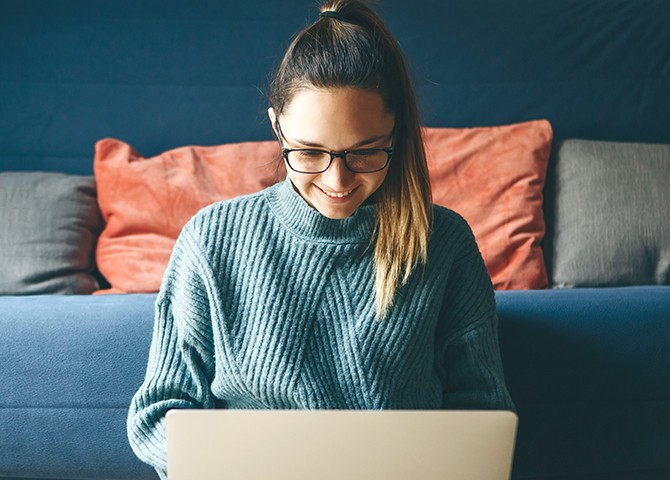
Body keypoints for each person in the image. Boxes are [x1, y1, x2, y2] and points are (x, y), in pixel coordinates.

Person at [127, 0, 515, 477]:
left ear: (397, 134)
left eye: (365, 152)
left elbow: (481, 410)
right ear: (277, 127)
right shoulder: (210, 241)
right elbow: (156, 415)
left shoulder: (445, 243)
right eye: (309, 152)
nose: (337, 179)